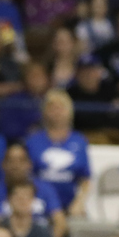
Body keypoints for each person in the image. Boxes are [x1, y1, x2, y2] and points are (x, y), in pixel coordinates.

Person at [25, 89, 91, 217]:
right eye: (52, 108)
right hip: (38, 203)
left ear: (69, 111)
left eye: (61, 108)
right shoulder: (33, 140)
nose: (57, 112)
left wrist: (79, 203)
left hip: (69, 204)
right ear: (44, 111)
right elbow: (27, 175)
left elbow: (85, 179)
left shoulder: (79, 141)